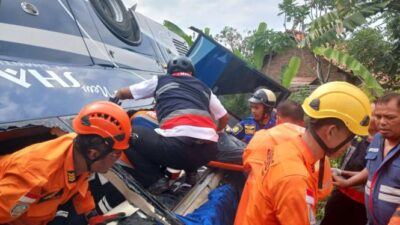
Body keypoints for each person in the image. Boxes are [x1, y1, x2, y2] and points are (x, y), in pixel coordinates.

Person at [242, 81, 371, 225]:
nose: (348, 145)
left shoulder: (288, 148)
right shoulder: (295, 178)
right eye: (350, 138)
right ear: (331, 131)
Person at [0, 101, 132, 225]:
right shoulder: (34, 177)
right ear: (93, 154)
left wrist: (91, 214)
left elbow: (80, 185)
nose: (118, 159)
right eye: (116, 154)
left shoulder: (79, 154)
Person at [114, 56, 228, 193]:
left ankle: (155, 181)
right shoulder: (204, 88)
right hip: (208, 152)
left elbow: (124, 93)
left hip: (177, 149)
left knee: (124, 134)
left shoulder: (161, 80)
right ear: (191, 73)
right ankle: (191, 174)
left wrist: (114, 98)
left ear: (170, 71)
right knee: (191, 138)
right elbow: (223, 117)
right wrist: (217, 131)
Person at [235, 100, 332, 225]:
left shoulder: (261, 137)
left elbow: (248, 165)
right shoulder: (318, 151)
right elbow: (323, 190)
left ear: (278, 119)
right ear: (303, 123)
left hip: (254, 214)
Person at [333, 93, 400, 225]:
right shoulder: (377, 140)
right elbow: (371, 169)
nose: (381, 122)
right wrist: (347, 181)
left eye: (389, 117)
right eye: (378, 116)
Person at [320, 102, 378, 225]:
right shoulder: (357, 136)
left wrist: (345, 179)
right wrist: (339, 172)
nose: (366, 117)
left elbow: (371, 172)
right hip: (341, 192)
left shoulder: (383, 145)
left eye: (371, 114)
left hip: (360, 201)